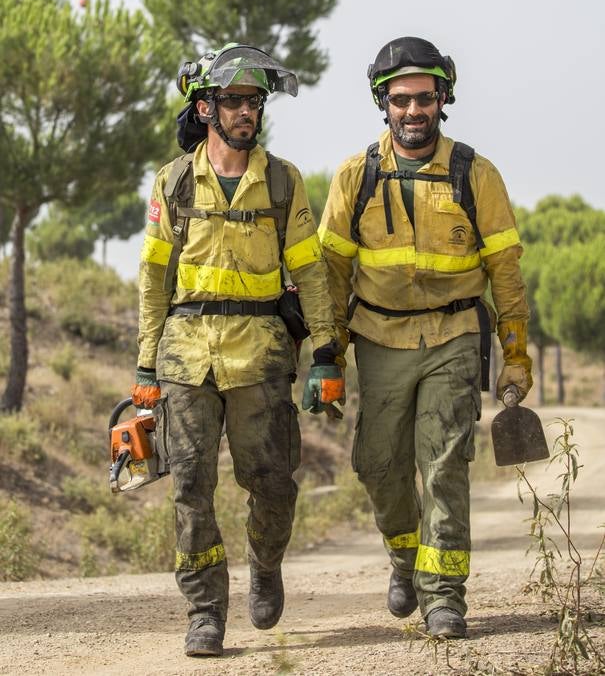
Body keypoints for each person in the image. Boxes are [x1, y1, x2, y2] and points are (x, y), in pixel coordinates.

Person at [134, 44, 344, 657]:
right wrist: (146, 366)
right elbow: (153, 279)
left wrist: (327, 352)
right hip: (185, 357)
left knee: (272, 482)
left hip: (260, 356)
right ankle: (205, 612)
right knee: (190, 487)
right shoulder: (172, 182)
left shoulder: (282, 181)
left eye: (254, 102)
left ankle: (265, 563)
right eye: (233, 102)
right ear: (205, 109)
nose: (246, 112)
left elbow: (309, 272)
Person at [319, 36, 531, 639]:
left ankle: (445, 599)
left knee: (443, 464)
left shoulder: (476, 175)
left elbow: (506, 275)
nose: (413, 111)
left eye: (425, 98)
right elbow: (330, 276)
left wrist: (514, 356)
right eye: (400, 100)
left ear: (444, 99)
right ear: (382, 103)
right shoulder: (354, 176)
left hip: (455, 336)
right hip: (379, 340)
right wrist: (326, 355)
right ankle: (404, 557)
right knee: (378, 466)